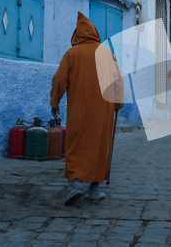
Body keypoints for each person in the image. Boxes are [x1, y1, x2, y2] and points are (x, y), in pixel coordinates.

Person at [50, 12, 123, 206]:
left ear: (77, 35)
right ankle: (94, 191)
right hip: (104, 111)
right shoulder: (106, 53)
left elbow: (59, 79)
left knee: (77, 143)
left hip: (79, 110)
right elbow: (118, 82)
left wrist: (54, 103)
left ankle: (76, 184)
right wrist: (117, 106)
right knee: (100, 145)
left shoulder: (72, 53)